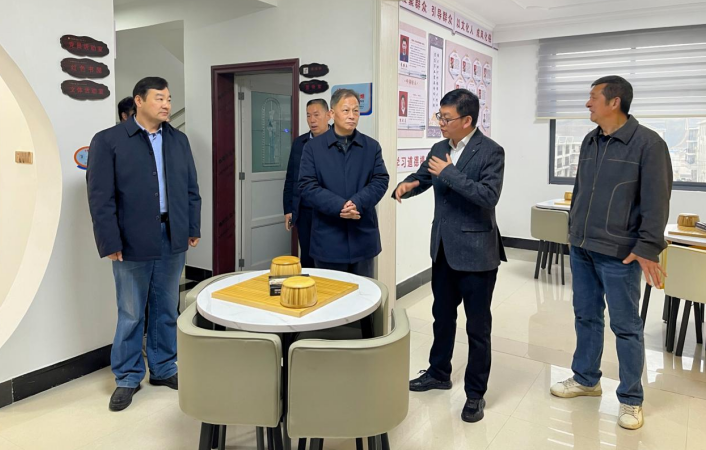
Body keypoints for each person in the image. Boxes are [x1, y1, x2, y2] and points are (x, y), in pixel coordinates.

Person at [549, 75, 672, 430]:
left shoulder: (648, 144)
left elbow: (657, 200)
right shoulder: (591, 140)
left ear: (614, 102)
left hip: (620, 253)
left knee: (626, 327)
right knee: (586, 317)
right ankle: (586, 379)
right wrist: (573, 232)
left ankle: (631, 399)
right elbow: (580, 190)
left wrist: (647, 246)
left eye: (593, 97)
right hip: (583, 247)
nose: (588, 103)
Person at [87, 77, 202, 412]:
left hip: (171, 235)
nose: (167, 105)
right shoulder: (109, 141)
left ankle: (163, 367)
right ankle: (127, 376)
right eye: (159, 98)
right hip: (129, 239)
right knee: (131, 310)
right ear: (138, 101)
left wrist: (191, 226)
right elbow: (100, 198)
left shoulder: (178, 140)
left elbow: (191, 188)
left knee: (166, 306)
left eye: (169, 99)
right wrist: (109, 240)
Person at [395, 88, 506, 423]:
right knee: (442, 318)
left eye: (446, 118)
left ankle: (475, 394)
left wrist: (449, 173)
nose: (440, 123)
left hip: (477, 254)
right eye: (439, 117)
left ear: (467, 120)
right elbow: (424, 177)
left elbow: (488, 196)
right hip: (443, 250)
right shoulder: (439, 148)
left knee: (477, 328)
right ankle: (438, 372)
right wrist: (407, 186)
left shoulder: (491, 151)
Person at [299, 88, 389, 278]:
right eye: (346, 110)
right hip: (328, 239)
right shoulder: (313, 148)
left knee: (365, 292)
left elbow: (380, 180)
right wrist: (340, 206)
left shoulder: (371, 146)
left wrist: (357, 203)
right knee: (331, 293)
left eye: (356, 111)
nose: (352, 116)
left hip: (362, 236)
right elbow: (307, 185)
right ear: (332, 113)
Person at [283, 98, 331, 267]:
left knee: (327, 257)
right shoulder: (299, 143)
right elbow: (291, 177)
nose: (312, 120)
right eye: (308, 115)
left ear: (328, 115)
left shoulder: (338, 142)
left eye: (316, 115)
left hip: (327, 211)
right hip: (303, 211)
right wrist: (289, 209)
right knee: (307, 256)